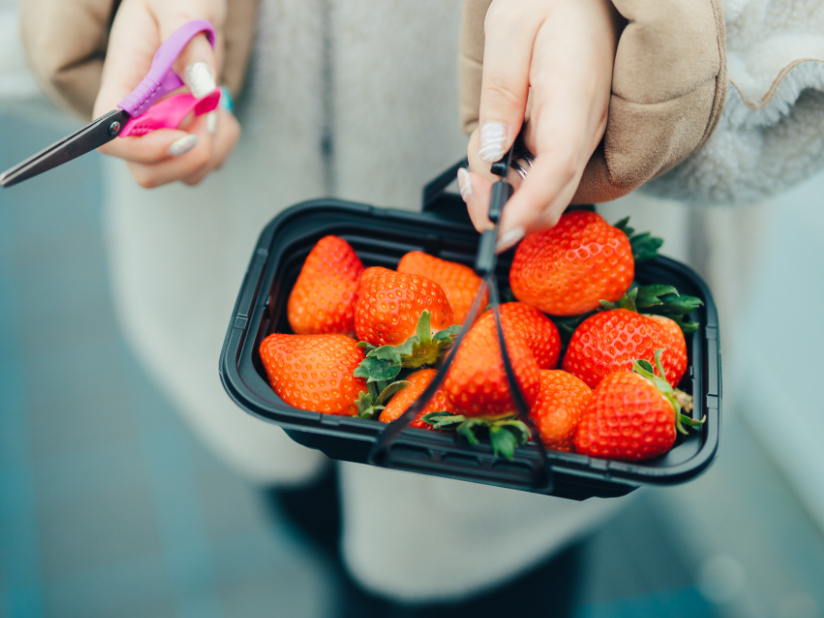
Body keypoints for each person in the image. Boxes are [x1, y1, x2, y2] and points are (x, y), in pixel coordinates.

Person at [17, 0, 824, 613]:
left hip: (531, 394)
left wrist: (650, 35)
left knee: (509, 583)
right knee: (305, 513)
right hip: (230, 259)